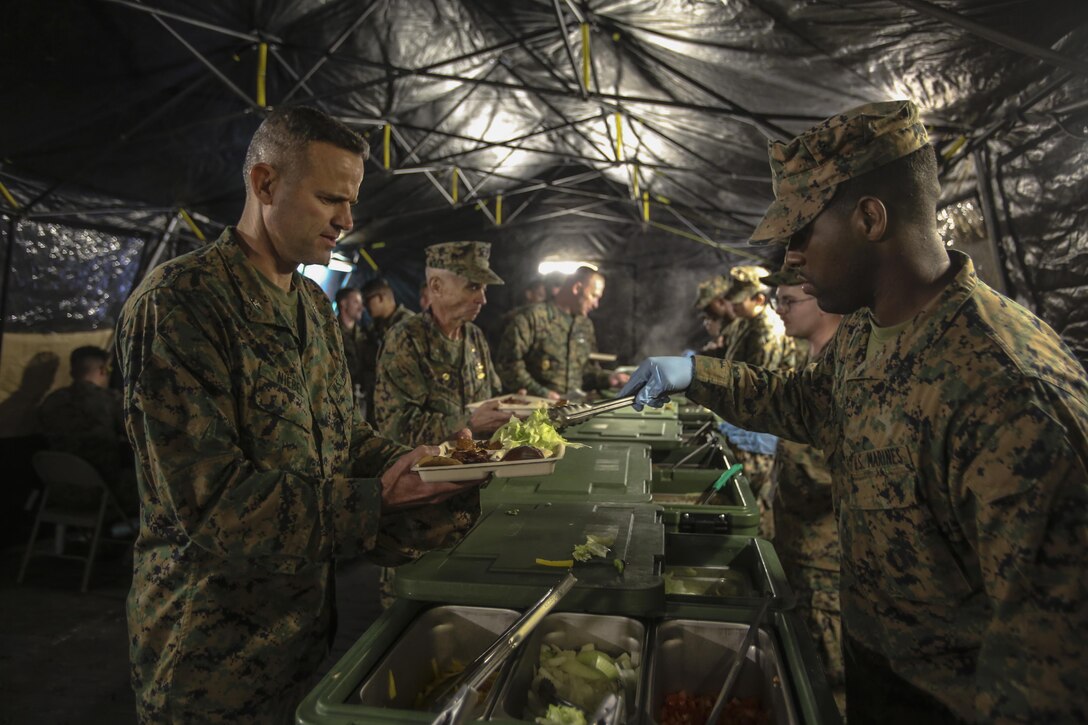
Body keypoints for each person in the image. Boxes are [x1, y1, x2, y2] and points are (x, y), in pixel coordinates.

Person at [620, 100, 1088, 723]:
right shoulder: (868, 331)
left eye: (801, 234)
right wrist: (694, 374)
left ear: (870, 218)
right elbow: (807, 402)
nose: (790, 259)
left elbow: (1052, 670)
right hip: (876, 671)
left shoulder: (1006, 390)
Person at [116, 106, 487, 724]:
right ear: (265, 184)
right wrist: (379, 500)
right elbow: (210, 506)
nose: (347, 220)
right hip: (208, 659)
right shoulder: (181, 304)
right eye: (329, 199)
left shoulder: (312, 305)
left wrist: (427, 466)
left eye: (351, 202)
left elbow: (343, 438)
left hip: (302, 637)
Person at [764, 265, 846, 712]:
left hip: (825, 563)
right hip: (795, 544)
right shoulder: (812, 359)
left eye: (789, 300)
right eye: (777, 300)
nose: (779, 309)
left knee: (826, 691)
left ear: (824, 301)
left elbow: (836, 470)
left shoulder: (846, 365)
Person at [374, 241, 512, 447]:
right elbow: (396, 428)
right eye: (473, 287)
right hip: (431, 465)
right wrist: (467, 424)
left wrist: (512, 405)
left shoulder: (474, 335)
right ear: (436, 287)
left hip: (480, 458)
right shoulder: (406, 339)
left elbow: (493, 393)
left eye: (484, 289)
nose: (482, 299)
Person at [496, 266, 628, 399]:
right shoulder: (533, 318)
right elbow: (508, 365)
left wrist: (608, 378)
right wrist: (542, 393)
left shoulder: (584, 325)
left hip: (571, 406)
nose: (596, 304)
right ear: (577, 288)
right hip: (536, 407)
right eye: (594, 296)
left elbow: (584, 371)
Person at [36, 345, 137, 514]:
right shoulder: (110, 400)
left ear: (72, 372)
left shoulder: (50, 401)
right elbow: (135, 434)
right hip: (103, 492)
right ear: (103, 370)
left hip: (60, 492)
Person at [358, 277, 414, 424]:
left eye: (367, 301)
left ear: (380, 298)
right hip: (378, 400)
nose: (365, 307)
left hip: (402, 405)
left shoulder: (409, 324)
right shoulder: (375, 327)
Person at [692, 274, 738, 357]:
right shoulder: (728, 327)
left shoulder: (743, 326)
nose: (708, 312)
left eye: (708, 307)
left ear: (720, 302)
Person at [334, 286, 367, 398]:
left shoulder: (365, 335)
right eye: (356, 302)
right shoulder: (330, 333)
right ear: (343, 304)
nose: (361, 308)